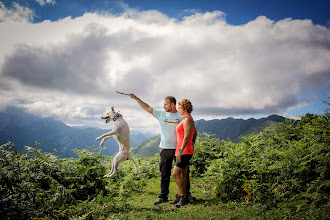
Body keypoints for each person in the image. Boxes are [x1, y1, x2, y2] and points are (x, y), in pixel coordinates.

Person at [129, 94, 184, 205]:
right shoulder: (161, 114)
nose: (163, 106)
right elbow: (147, 108)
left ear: (172, 104)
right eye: (163, 104)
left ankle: (184, 195)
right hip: (165, 149)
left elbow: (190, 130)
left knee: (182, 173)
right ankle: (163, 196)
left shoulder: (181, 116)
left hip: (179, 149)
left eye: (165, 104)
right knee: (164, 174)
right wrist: (137, 99)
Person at [172, 98, 195, 208]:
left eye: (180, 107)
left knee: (175, 174)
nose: (178, 109)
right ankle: (181, 195)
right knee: (183, 174)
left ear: (184, 108)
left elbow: (186, 137)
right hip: (183, 150)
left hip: (184, 151)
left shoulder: (188, 120)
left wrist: (180, 152)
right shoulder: (186, 119)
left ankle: (184, 197)